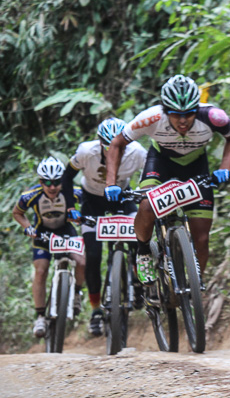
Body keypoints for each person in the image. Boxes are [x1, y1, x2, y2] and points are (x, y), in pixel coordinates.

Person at [104, 74, 230, 286]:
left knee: (202, 239)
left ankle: (196, 284)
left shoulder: (214, 116)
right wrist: (111, 183)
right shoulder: (151, 118)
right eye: (176, 115)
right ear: (165, 111)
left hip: (196, 166)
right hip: (161, 164)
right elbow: (116, 143)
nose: (183, 120)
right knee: (147, 206)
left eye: (189, 114)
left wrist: (224, 168)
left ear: (197, 109)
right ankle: (143, 252)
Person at [61, 118, 147, 336]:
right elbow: (67, 176)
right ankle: (96, 309)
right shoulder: (85, 152)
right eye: (106, 145)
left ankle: (138, 281)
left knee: (140, 237)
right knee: (93, 255)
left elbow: (152, 173)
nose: (112, 150)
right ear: (99, 142)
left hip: (122, 198)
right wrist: (71, 207)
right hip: (92, 202)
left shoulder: (136, 151)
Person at [12, 157, 86, 338]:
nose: (52, 187)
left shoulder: (75, 193)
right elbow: (17, 213)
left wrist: (83, 217)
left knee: (81, 261)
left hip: (66, 230)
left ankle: (76, 294)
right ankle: (39, 316)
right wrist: (27, 227)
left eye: (56, 182)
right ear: (40, 182)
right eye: (47, 182)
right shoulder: (31, 196)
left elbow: (89, 206)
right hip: (42, 234)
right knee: (41, 270)